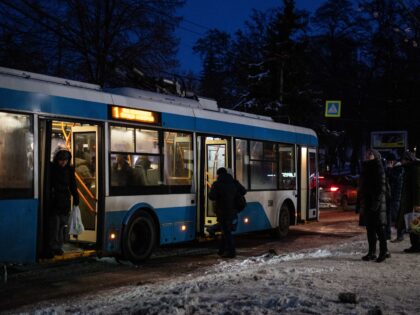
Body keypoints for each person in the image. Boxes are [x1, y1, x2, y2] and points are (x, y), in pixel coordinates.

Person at [46, 147, 79, 258]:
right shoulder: (52, 168)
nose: (63, 162)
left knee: (61, 225)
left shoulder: (69, 170)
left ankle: (58, 247)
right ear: (57, 159)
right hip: (55, 200)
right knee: (54, 225)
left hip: (64, 201)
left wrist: (76, 196)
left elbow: (73, 184)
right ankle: (52, 247)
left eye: (65, 160)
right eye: (61, 159)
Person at [358, 149, 389, 262]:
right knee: (370, 229)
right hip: (368, 203)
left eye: (370, 154)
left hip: (377, 205)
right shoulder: (366, 168)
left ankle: (383, 252)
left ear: (375, 156)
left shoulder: (378, 167)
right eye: (367, 153)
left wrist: (376, 204)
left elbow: (381, 188)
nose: (367, 155)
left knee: (380, 229)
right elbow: (362, 188)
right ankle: (371, 252)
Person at [208, 167, 245, 258]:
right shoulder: (234, 182)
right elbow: (244, 191)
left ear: (219, 175)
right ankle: (221, 250)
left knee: (227, 233)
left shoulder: (217, 184)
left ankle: (231, 252)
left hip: (222, 212)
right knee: (225, 232)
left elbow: (212, 197)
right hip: (233, 211)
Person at [396, 151, 420, 253]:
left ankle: (417, 246)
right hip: (410, 201)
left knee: (415, 224)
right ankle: (415, 245)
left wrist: (417, 203)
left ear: (408, 160)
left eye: (403, 160)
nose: (401, 162)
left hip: (413, 203)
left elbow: (417, 187)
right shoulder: (410, 169)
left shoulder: (414, 169)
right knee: (412, 223)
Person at [385, 152, 405, 242]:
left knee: (396, 217)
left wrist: (389, 169)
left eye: (388, 162)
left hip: (396, 197)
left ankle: (400, 235)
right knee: (388, 216)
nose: (387, 163)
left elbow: (394, 179)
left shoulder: (399, 168)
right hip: (391, 196)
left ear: (392, 161)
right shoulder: (395, 168)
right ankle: (387, 235)